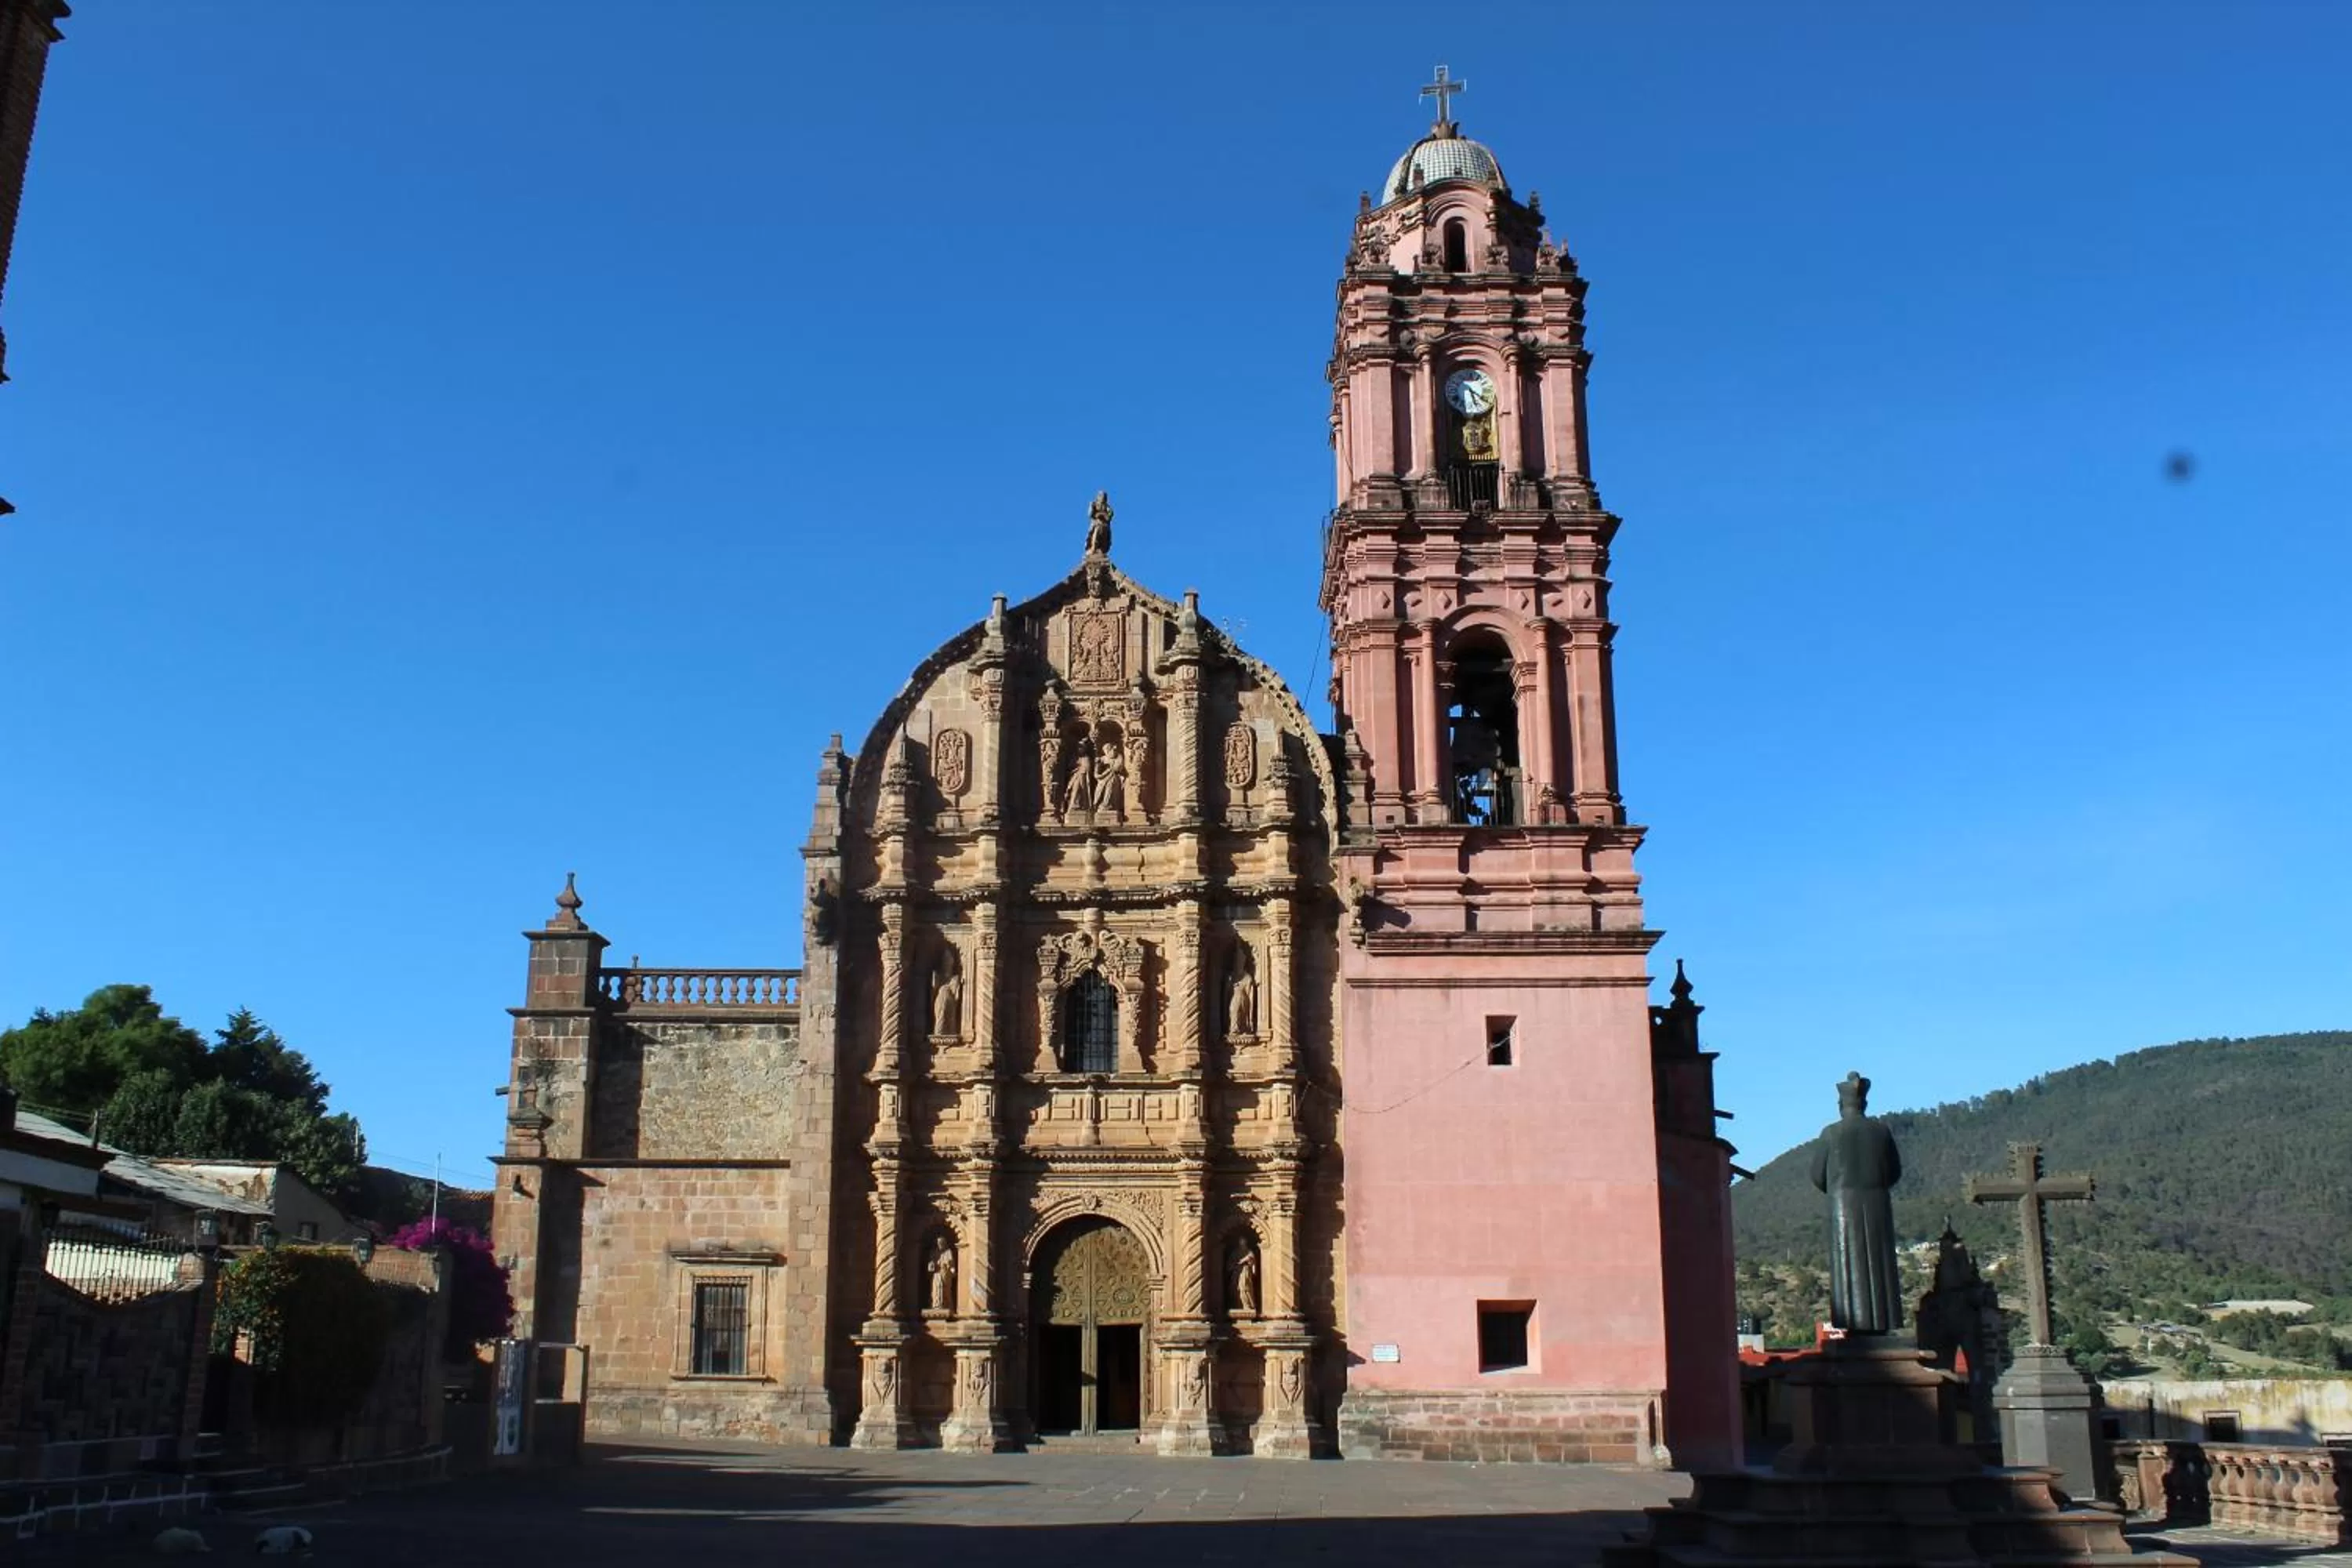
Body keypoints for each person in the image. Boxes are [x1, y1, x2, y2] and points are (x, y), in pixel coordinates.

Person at [1808, 1071, 1904, 1334]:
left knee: (1848, 1261)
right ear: (1864, 1104)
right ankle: (1885, 1322)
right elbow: (1895, 1171)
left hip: (1843, 1204)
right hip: (1878, 1203)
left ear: (1841, 1106)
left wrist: (1838, 1189)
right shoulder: (1881, 1131)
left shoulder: (1831, 1133)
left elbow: (1817, 1175)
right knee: (1880, 1261)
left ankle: (1853, 1323)